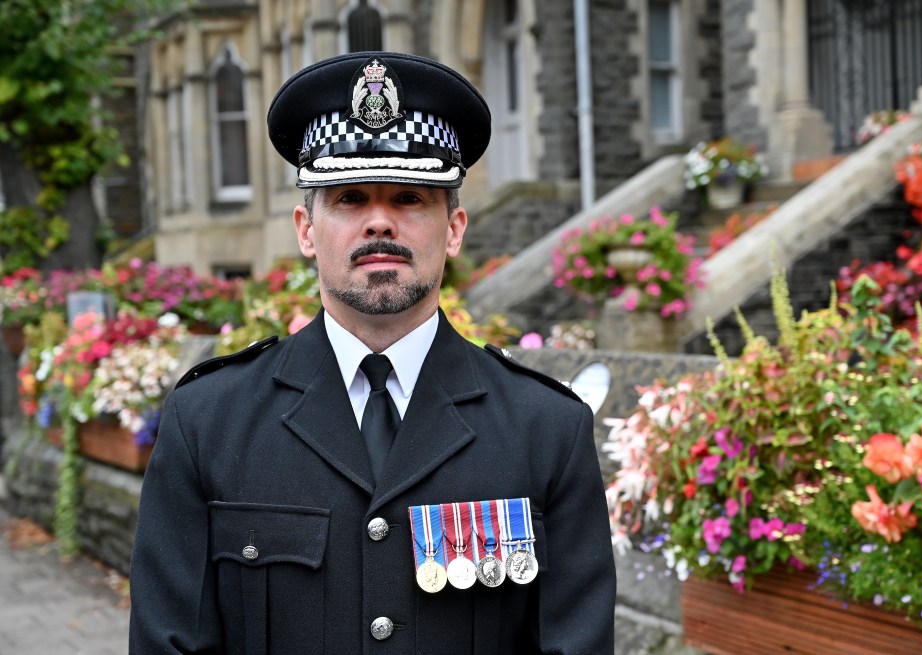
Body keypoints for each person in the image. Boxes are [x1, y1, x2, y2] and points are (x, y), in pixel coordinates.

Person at [129, 50, 616, 654]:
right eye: (350, 198)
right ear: (307, 231)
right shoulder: (208, 421)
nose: (379, 223)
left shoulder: (547, 430)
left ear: (455, 228)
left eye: (409, 198)